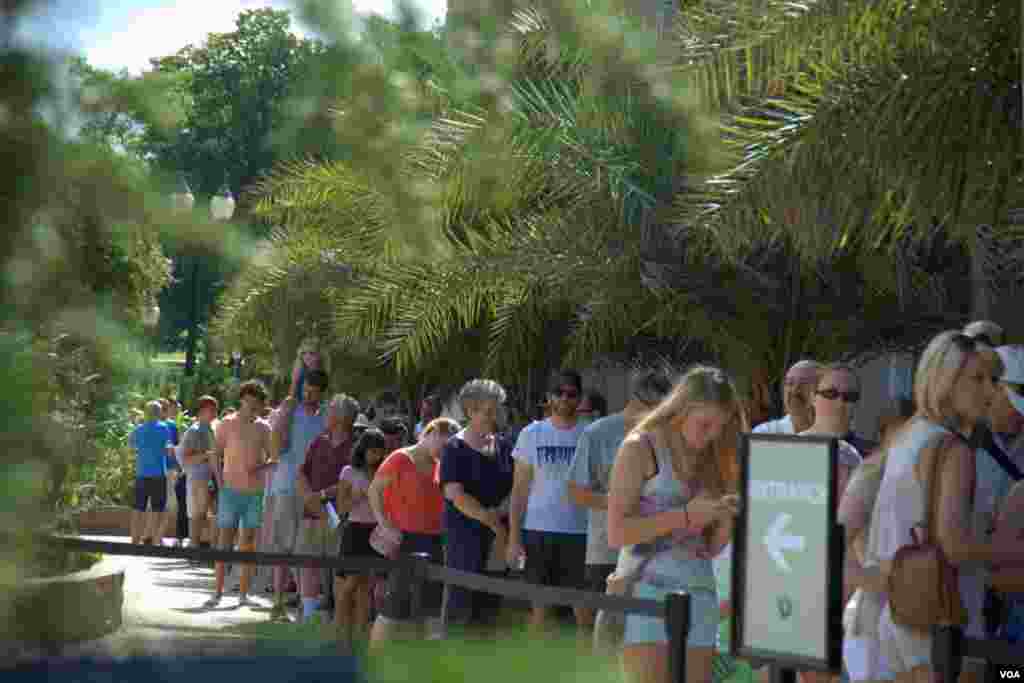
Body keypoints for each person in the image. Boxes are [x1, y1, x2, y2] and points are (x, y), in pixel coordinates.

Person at [863, 331, 1024, 683]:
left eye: (993, 380)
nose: (990, 391)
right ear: (946, 381)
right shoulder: (955, 450)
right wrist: (1006, 550)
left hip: (898, 612)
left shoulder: (909, 435)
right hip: (947, 618)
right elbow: (954, 545)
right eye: (977, 379)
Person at [607, 365, 747, 683]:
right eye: (705, 424)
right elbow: (616, 533)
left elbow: (709, 548)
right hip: (647, 590)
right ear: (682, 408)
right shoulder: (639, 447)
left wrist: (726, 520)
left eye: (719, 427)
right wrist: (685, 515)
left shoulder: (713, 457)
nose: (711, 435)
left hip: (699, 593)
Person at [569, 369, 673, 637]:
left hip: (653, 552)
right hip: (606, 550)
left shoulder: (666, 435)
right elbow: (576, 493)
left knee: (646, 634)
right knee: (604, 633)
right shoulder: (598, 433)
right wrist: (623, 503)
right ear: (641, 401)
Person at [506, 369, 590, 633]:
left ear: (579, 398)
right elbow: (519, 490)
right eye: (559, 393)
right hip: (537, 531)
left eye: (571, 394)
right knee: (539, 611)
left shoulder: (590, 434)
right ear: (549, 397)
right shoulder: (532, 434)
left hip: (581, 533)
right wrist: (513, 538)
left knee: (584, 612)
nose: (565, 398)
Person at [368, 417, 460, 645]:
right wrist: (385, 524)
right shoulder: (401, 458)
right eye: (443, 444)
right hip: (405, 541)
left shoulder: (443, 464)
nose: (444, 450)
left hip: (436, 541)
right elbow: (374, 491)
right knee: (394, 607)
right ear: (432, 432)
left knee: (431, 608)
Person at [439, 379, 516, 633]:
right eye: (487, 410)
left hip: (498, 541)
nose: (494, 416)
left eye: (496, 409)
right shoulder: (454, 448)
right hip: (465, 539)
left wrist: (501, 522)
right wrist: (490, 519)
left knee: (490, 612)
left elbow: (515, 487)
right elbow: (455, 494)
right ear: (470, 410)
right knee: (461, 610)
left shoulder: (505, 445)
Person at [266, 368, 329, 620]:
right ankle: (278, 604)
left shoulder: (326, 415)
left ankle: (306, 606)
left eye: (313, 390)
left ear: (322, 392)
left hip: (313, 492)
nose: (307, 394)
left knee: (309, 551)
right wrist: (287, 408)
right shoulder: (290, 411)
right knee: (283, 547)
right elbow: (274, 448)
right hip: (287, 485)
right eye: (305, 389)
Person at [206, 380, 274, 608]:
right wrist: (218, 480)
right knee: (224, 541)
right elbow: (214, 453)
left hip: (254, 493)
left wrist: (260, 468)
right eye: (250, 400)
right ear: (242, 399)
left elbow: (274, 459)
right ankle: (217, 592)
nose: (253, 406)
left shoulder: (264, 427)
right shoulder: (227, 423)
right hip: (230, 491)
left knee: (248, 544)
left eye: (257, 402)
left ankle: (242, 594)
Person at [294, 393, 358, 624]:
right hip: (311, 513)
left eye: (330, 410)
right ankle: (309, 615)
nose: (325, 414)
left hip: (339, 516)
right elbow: (302, 472)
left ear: (340, 417)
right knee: (309, 562)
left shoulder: (355, 446)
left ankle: (337, 617)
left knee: (337, 568)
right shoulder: (319, 440)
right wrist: (308, 496)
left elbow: (351, 481)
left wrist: (321, 496)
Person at [335, 428, 389, 644]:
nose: (375, 456)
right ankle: (339, 631)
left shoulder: (384, 472)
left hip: (376, 531)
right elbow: (341, 507)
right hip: (355, 529)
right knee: (350, 583)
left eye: (379, 452)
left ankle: (359, 636)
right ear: (363, 450)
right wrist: (357, 498)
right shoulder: (348, 471)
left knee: (366, 585)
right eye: (372, 451)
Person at [179, 395, 219, 553]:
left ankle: (204, 549)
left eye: (216, 410)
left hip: (209, 478)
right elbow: (187, 458)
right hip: (197, 478)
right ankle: (193, 549)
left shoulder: (210, 429)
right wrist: (207, 455)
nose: (215, 413)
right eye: (212, 410)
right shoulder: (194, 431)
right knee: (197, 515)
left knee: (209, 515)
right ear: (202, 411)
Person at [129, 401, 172, 545]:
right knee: (157, 508)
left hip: (141, 473)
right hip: (158, 473)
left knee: (138, 507)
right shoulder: (164, 428)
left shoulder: (139, 429)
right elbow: (168, 447)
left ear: (146, 413)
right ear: (159, 413)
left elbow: (131, 444)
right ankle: (153, 539)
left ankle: (134, 539)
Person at [753, 360, 821, 434]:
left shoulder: (831, 432)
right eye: (790, 383)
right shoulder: (765, 432)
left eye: (804, 383)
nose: (795, 390)